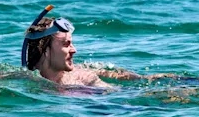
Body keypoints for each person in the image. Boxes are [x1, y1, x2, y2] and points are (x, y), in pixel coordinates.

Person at [21, 5, 172, 87]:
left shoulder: (83, 79)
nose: (74, 50)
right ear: (45, 50)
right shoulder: (22, 79)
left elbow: (119, 96)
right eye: (66, 44)